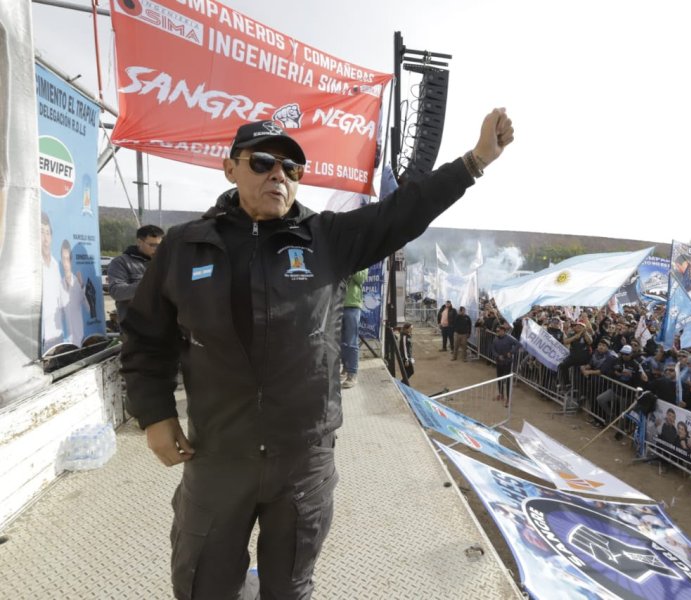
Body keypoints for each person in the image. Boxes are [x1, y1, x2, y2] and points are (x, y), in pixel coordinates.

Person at [120, 110, 514, 599]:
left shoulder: (325, 238)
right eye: (262, 163)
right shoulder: (185, 246)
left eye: (291, 168)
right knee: (203, 586)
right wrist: (155, 415)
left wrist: (475, 161)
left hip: (303, 460)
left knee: (289, 589)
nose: (278, 175)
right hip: (218, 454)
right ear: (230, 168)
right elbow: (145, 336)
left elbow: (404, 211)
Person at [107, 224, 164, 323]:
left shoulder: (166, 262)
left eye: (160, 245)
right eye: (152, 245)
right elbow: (117, 291)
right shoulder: (121, 262)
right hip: (135, 325)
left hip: (163, 323)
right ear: (139, 242)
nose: (156, 249)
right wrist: (148, 284)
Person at [40, 212, 66, 350]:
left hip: (58, 335)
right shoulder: (32, 265)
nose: (45, 239)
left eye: (48, 233)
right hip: (40, 340)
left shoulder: (56, 265)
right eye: (41, 232)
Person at [340, 268, 368, 389]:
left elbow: (361, 278)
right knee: (341, 341)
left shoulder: (361, 261)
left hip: (353, 305)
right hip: (338, 303)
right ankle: (345, 368)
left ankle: (352, 374)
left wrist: (350, 266)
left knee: (351, 341)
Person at [492, 322, 518, 405]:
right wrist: (497, 356)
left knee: (507, 381)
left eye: (499, 331)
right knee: (499, 379)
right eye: (497, 331)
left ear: (503, 331)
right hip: (499, 362)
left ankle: (508, 398)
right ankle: (501, 394)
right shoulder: (495, 339)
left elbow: (518, 344)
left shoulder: (509, 338)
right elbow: (493, 350)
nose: (497, 332)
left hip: (507, 363)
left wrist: (511, 352)